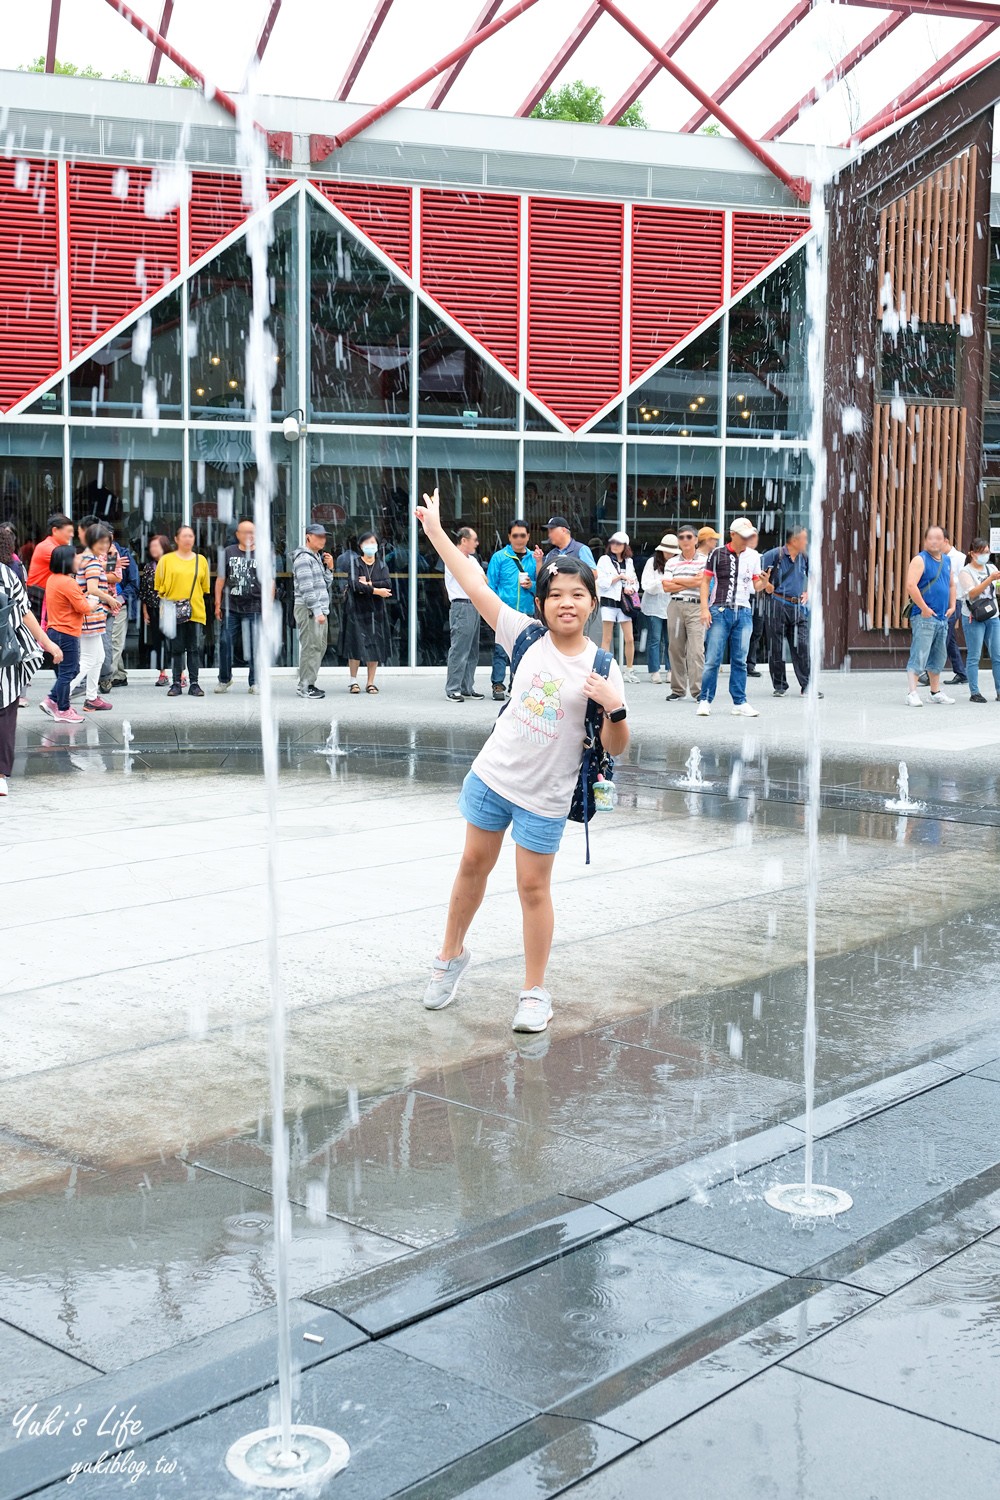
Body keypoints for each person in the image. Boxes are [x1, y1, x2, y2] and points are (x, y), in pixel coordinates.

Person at [416, 487, 629, 1034]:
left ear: (590, 602)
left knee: (534, 889)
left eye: (577, 595)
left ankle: (535, 991)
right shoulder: (525, 635)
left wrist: (616, 708)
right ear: (544, 602)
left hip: (547, 795)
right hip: (493, 776)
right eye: (556, 593)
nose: (566, 603)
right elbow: (472, 582)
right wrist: (437, 531)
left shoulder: (602, 665)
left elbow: (617, 746)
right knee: (471, 866)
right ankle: (451, 955)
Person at [0, 556, 63, 796]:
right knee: (5, 713)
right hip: (4, 652)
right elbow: (25, 614)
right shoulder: (6, 574)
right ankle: (0, 776)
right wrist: (47, 644)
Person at [697, 518, 766, 718]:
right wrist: (704, 608)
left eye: (750, 536)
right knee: (713, 659)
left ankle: (740, 701)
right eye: (744, 536)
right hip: (719, 609)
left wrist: (764, 582)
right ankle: (705, 700)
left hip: (743, 610)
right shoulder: (717, 553)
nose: (747, 540)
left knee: (740, 660)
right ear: (733, 534)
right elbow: (705, 581)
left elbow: (755, 586)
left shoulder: (754, 556)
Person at [43, 544, 101, 723]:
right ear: (67, 560)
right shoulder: (68, 582)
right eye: (76, 557)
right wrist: (93, 601)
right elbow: (83, 608)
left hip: (56, 631)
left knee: (70, 670)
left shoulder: (53, 579)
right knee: (68, 672)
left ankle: (53, 700)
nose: (79, 560)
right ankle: (62, 708)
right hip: (66, 633)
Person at [67, 522, 121, 711]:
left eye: (107, 542)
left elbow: (115, 575)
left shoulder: (91, 559)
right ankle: (58, 696)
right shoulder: (91, 561)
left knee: (98, 658)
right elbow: (91, 588)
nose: (106, 546)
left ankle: (91, 698)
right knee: (89, 660)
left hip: (94, 615)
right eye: (102, 542)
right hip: (90, 616)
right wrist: (109, 598)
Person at [154, 524, 210, 699]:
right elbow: (159, 587)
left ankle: (194, 683)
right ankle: (176, 683)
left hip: (195, 610)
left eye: (191, 536)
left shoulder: (201, 560)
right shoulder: (166, 560)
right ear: (176, 539)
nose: (188, 539)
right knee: (176, 649)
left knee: (193, 648)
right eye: (184, 536)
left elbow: (205, 587)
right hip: (173, 611)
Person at [760, 526, 815, 697]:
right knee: (776, 646)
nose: (806, 542)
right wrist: (767, 586)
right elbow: (760, 578)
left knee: (802, 646)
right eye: (804, 539)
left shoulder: (805, 557)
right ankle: (780, 685)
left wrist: (808, 591)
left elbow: (813, 575)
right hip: (777, 603)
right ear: (794, 540)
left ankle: (807, 685)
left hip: (797, 606)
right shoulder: (774, 555)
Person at [905, 524, 956, 707]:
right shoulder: (920, 559)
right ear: (925, 541)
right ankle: (912, 693)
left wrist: (952, 606)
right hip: (924, 616)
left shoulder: (947, 561)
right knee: (919, 654)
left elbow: (951, 584)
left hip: (943, 617)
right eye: (930, 538)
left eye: (938, 538)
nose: (934, 541)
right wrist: (925, 608)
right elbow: (911, 585)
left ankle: (935, 692)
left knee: (938, 657)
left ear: (944, 541)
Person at [486, 519, 537, 700]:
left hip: (526, 612)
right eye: (515, 535)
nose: (519, 539)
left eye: (522, 535)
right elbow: (490, 586)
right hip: (504, 611)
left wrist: (532, 585)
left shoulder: (534, 558)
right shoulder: (499, 557)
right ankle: (498, 685)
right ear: (509, 537)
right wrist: (492, 610)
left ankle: (517, 685)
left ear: (528, 536)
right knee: (501, 649)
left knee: (524, 651)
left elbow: (543, 587)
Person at [339, 531, 393, 693]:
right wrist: (377, 590)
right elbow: (355, 585)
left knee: (374, 645)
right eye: (367, 543)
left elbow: (388, 584)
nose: (371, 546)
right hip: (356, 609)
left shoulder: (382, 565)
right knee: (354, 644)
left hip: (375, 611)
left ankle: (370, 682)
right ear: (361, 546)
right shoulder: (355, 564)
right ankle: (353, 681)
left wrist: (369, 584)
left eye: (373, 543)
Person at [215, 517, 262, 695]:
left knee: (255, 646)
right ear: (238, 535)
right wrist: (217, 603)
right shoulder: (228, 552)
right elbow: (220, 579)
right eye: (246, 532)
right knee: (225, 642)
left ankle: (255, 682)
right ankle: (224, 679)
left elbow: (269, 582)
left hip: (255, 606)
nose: (250, 535)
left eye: (253, 532)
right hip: (231, 607)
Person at [663, 526, 706, 702]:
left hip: (696, 607)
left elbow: (703, 582)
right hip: (676, 606)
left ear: (696, 540)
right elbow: (666, 586)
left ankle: (698, 690)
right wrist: (692, 582)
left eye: (689, 537)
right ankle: (678, 689)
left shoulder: (705, 560)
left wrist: (677, 580)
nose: (685, 540)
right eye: (681, 537)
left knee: (696, 650)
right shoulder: (671, 562)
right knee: (675, 648)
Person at [292, 522, 333, 700]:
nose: (322, 540)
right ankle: (305, 686)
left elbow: (325, 584)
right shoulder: (303, 559)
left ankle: (310, 683)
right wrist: (317, 611)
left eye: (324, 536)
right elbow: (307, 588)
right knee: (311, 647)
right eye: (319, 536)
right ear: (308, 536)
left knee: (319, 647)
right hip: (310, 610)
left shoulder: (316, 557)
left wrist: (329, 567)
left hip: (318, 609)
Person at [444, 527, 486, 703]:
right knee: (460, 648)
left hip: (474, 604)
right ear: (463, 540)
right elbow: (471, 579)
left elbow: (483, 580)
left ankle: (466, 687)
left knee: (472, 650)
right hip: (461, 605)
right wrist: (476, 578)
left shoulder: (473, 560)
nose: (476, 543)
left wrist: (476, 578)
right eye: (474, 539)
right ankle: (453, 689)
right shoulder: (453, 557)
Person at [958, 539, 1000, 703]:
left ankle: (999, 690)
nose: (985, 555)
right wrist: (990, 579)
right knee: (974, 656)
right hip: (973, 617)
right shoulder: (965, 572)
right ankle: (974, 692)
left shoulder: (992, 568)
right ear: (973, 554)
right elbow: (972, 594)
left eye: (987, 552)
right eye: (982, 552)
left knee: (997, 655)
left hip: (993, 616)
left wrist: (996, 581)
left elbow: (996, 590)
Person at [596, 532, 640, 683]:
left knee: (629, 638)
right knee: (607, 637)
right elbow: (601, 582)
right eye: (613, 542)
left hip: (624, 603)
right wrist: (619, 578)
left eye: (619, 543)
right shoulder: (604, 559)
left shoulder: (628, 562)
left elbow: (634, 581)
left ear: (624, 546)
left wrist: (630, 588)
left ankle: (629, 669)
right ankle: (604, 671)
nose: (615, 545)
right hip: (609, 601)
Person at [100, 524, 137, 692]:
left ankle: (105, 677)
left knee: (113, 641)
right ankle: (119, 675)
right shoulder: (95, 555)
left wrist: (119, 600)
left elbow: (133, 583)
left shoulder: (120, 554)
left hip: (117, 603)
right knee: (109, 640)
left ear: (111, 537)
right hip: (100, 603)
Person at [639, 533, 677, 684]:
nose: (669, 553)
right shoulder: (652, 562)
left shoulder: (677, 563)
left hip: (671, 605)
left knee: (670, 641)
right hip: (654, 606)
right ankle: (654, 671)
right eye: (667, 550)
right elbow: (646, 585)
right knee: (655, 639)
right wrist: (662, 582)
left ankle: (670, 670)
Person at [25, 513, 75, 618]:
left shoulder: (55, 547)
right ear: (55, 530)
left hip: (45, 596)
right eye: (69, 531)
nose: (72, 535)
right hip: (38, 597)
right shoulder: (48, 548)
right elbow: (76, 564)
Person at [140, 534, 172, 685]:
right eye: (151, 546)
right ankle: (162, 673)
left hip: (172, 609)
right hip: (154, 610)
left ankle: (181, 674)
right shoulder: (148, 567)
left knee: (174, 642)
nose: (153, 549)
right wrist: (145, 611)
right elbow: (144, 592)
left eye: (156, 546)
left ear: (164, 547)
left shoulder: (173, 564)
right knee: (158, 642)